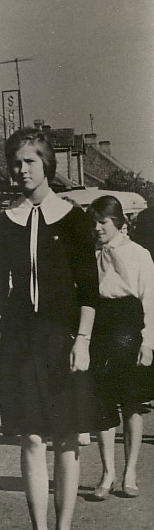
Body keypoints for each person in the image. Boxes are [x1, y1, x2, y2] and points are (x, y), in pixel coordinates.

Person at [0, 127, 115, 530]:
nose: (22, 170)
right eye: (16, 163)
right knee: (32, 438)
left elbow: (89, 291)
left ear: (46, 165)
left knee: (65, 440)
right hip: (20, 342)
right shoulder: (4, 221)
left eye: (30, 162)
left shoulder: (75, 220)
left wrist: (82, 342)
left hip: (62, 340)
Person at [88, 195, 154, 500]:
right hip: (100, 327)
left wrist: (148, 343)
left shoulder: (139, 255)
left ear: (119, 222)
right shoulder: (90, 255)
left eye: (103, 222)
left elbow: (150, 302)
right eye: (95, 222)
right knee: (102, 404)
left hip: (129, 328)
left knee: (130, 402)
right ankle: (107, 473)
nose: (97, 228)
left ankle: (129, 473)